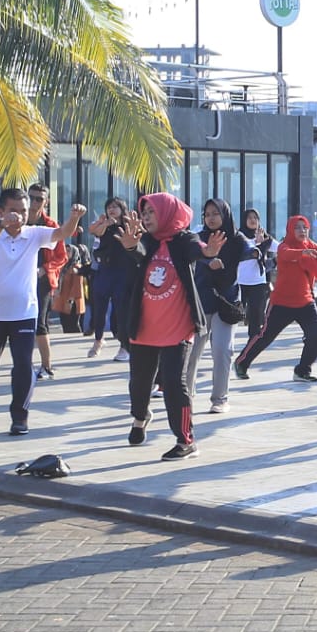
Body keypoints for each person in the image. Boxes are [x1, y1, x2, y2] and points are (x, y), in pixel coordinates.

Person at [115, 193, 225, 459]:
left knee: (175, 384)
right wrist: (131, 246)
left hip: (177, 328)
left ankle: (186, 440)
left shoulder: (182, 239)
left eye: (152, 212)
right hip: (144, 326)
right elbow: (140, 254)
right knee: (139, 385)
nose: (146, 217)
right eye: (145, 213)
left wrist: (207, 252)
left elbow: (195, 250)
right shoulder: (148, 240)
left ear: (166, 213)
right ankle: (140, 418)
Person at [0, 188, 86, 434]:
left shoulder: (34, 235)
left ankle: (20, 416)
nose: (20, 217)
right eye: (14, 211)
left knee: (23, 364)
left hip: (23, 312)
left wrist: (75, 217)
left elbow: (62, 232)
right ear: (1, 211)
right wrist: (2, 225)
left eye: (24, 211)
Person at [235, 216, 317, 382]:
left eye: (304, 227)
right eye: (297, 227)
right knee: (265, 336)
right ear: (290, 230)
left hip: (305, 302)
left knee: (316, 333)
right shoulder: (285, 246)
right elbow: (286, 254)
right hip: (281, 303)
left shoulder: (309, 245)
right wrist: (302, 253)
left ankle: (302, 371)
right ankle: (242, 363)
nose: (302, 231)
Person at [184, 198, 252, 415]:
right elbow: (192, 253)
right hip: (201, 302)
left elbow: (251, 249)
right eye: (207, 214)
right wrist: (207, 261)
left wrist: (259, 251)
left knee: (222, 350)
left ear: (225, 214)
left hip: (226, 303)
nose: (211, 218)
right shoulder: (199, 238)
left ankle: (220, 398)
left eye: (216, 213)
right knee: (192, 352)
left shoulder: (236, 238)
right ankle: (186, 396)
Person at [25, 184, 66, 379]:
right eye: (31, 197)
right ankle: (24, 364)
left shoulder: (51, 225)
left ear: (46, 202)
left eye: (39, 199)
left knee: (40, 322)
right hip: (19, 279)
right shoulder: (17, 221)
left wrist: (45, 269)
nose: (34, 203)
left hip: (42, 281)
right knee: (20, 322)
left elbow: (61, 256)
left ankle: (46, 366)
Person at [86, 198, 135, 360]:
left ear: (122, 208)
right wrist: (105, 223)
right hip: (105, 270)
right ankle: (98, 339)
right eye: (109, 207)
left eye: (115, 207)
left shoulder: (128, 225)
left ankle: (124, 346)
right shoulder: (104, 225)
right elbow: (93, 230)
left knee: (121, 311)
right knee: (99, 307)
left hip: (123, 272)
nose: (112, 210)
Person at [236, 209, 273, 343]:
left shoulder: (265, 238)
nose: (253, 220)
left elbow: (281, 248)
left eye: (255, 218)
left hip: (258, 281)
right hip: (240, 281)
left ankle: (253, 340)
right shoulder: (239, 237)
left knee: (257, 312)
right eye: (250, 217)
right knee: (236, 312)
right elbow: (241, 255)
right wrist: (258, 245)